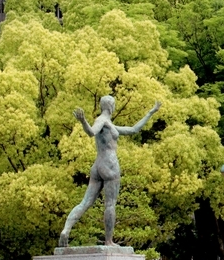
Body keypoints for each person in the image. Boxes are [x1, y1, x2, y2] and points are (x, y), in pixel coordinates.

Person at [58, 96, 161, 247]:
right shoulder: (102, 121)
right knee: (110, 204)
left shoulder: (109, 123)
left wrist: (151, 112)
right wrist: (83, 121)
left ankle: (66, 230)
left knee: (85, 202)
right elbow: (92, 132)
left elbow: (133, 129)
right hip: (110, 165)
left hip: (97, 165)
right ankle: (108, 241)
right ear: (111, 106)